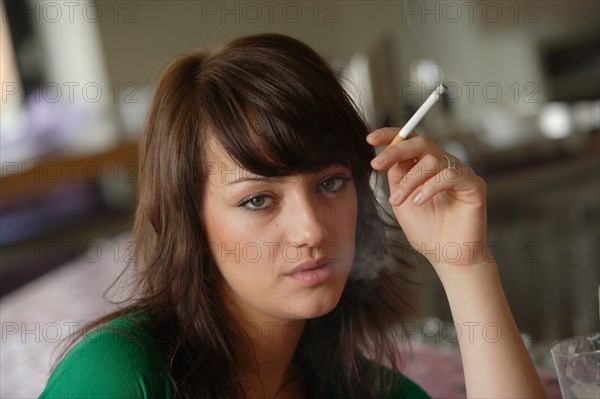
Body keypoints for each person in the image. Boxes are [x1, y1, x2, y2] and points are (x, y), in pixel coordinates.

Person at [39, 33, 546, 398]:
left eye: (330, 183)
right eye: (258, 199)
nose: (312, 230)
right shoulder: (119, 376)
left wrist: (466, 265)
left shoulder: (371, 389)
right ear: (190, 220)